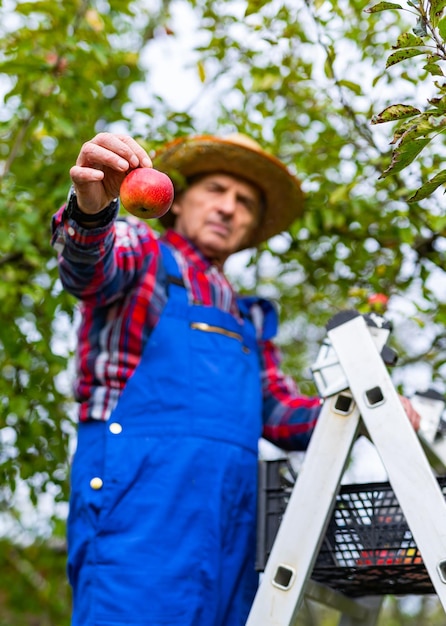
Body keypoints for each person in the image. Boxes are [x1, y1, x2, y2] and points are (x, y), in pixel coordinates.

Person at [51, 132, 420, 626]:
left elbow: (280, 415)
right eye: (216, 190)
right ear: (177, 203)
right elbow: (86, 271)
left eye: (244, 202)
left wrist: (368, 404)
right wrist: (91, 212)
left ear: (250, 228)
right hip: (139, 510)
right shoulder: (143, 254)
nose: (228, 207)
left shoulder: (249, 318)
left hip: (230, 524)